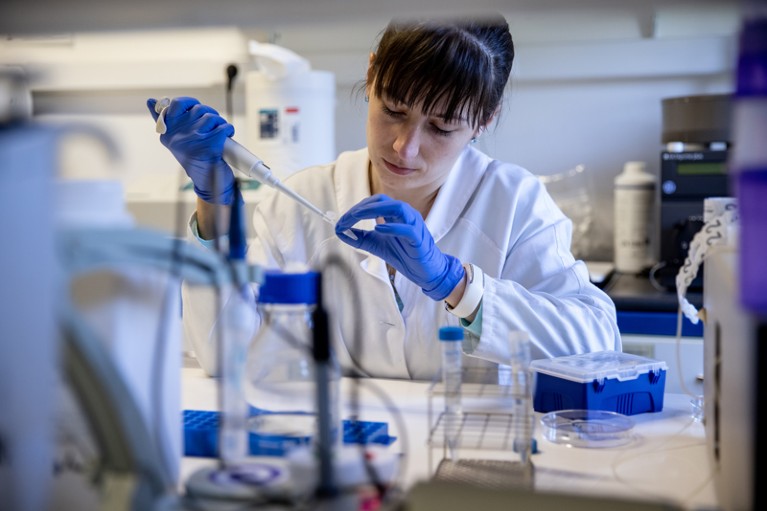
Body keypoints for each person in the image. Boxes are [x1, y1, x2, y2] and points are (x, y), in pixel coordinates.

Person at [148, 14, 621, 380]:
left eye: (441, 126)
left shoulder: (514, 203)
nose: (405, 147)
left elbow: (598, 346)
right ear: (371, 74)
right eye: (393, 109)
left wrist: (455, 283)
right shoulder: (300, 201)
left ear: (485, 119)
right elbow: (223, 357)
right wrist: (215, 206)